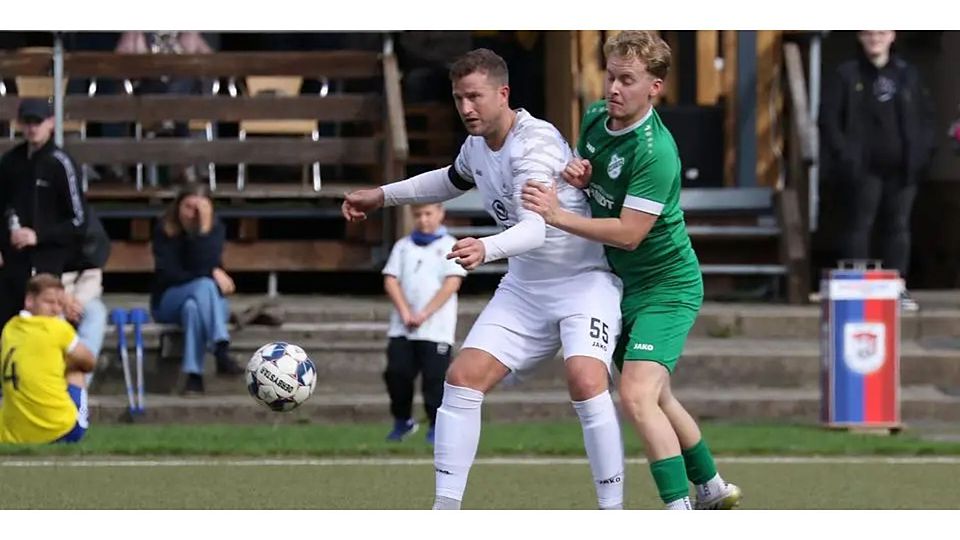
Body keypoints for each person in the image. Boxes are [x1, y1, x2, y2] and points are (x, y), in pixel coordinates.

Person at [343, 48, 626, 510]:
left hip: (583, 281)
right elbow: (448, 179)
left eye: (475, 97)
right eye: (458, 98)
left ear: (503, 93)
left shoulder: (535, 144)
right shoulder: (476, 146)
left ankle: (612, 513)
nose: (466, 108)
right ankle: (445, 510)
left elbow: (538, 228)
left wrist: (485, 248)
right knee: (462, 377)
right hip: (526, 286)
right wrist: (381, 195)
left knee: (585, 379)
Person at [521, 31, 741, 510]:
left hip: (667, 286)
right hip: (619, 285)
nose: (614, 88)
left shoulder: (656, 152)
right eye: (611, 76)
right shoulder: (597, 117)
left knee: (637, 395)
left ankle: (677, 509)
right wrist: (581, 174)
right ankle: (712, 487)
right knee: (657, 397)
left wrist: (558, 214)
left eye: (628, 80)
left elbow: (629, 233)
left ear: (654, 88)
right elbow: (593, 176)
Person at [819, 30, 935, 311]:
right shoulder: (846, 74)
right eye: (869, 34)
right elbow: (829, 119)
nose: (875, 39)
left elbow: (926, 117)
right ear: (860, 37)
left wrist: (922, 154)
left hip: (902, 169)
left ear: (892, 37)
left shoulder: (907, 74)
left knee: (898, 228)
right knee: (859, 227)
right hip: (862, 169)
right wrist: (844, 156)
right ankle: (858, 288)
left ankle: (897, 288)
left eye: (881, 33)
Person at [381, 202, 466, 444]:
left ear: (440, 213)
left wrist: (424, 313)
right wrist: (406, 312)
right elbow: (390, 280)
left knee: (434, 380)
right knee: (397, 374)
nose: (423, 219)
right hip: (403, 327)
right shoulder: (403, 246)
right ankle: (402, 421)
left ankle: (436, 426)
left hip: (435, 329)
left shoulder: (449, 244)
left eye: (428, 214)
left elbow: (452, 283)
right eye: (418, 214)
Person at [0, 98, 88, 327]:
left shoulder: (61, 163)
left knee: (42, 327)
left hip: (49, 264)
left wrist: (39, 235)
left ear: (50, 123)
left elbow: (79, 221)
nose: (32, 128)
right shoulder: (10, 162)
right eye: (27, 122)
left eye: (37, 122)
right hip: (12, 263)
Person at [150, 184, 243, 395]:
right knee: (205, 285)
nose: (193, 213)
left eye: (200, 208)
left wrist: (202, 232)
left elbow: (207, 261)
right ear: (178, 207)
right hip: (168, 298)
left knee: (193, 308)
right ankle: (220, 348)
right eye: (188, 207)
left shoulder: (214, 229)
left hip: (203, 300)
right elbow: (170, 274)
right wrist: (210, 273)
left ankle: (194, 377)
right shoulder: (164, 230)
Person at [0, 274, 96, 443]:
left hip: (12, 436)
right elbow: (89, 362)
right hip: (61, 430)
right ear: (30, 301)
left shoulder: (9, 328)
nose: (56, 310)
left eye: (60, 304)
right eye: (50, 302)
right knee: (75, 370)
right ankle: (78, 421)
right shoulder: (58, 328)